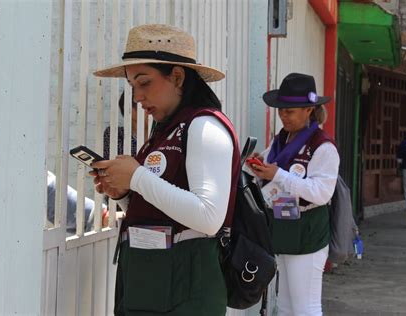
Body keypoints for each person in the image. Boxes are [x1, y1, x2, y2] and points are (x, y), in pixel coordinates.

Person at [90, 24, 240, 315]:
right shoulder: (165, 130)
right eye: (132, 85)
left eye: (144, 83)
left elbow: (209, 217)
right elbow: (161, 206)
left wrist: (136, 176)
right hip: (148, 287)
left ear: (178, 77)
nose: (136, 97)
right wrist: (123, 193)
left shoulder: (204, 126)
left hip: (184, 291)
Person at [247, 73, 339, 316]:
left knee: (305, 308)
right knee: (286, 306)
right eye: (281, 110)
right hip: (284, 226)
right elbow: (268, 172)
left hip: (308, 231)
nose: (283, 116)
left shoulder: (324, 147)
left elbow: (321, 193)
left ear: (309, 110)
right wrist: (257, 166)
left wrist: (278, 175)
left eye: (289, 111)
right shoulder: (281, 141)